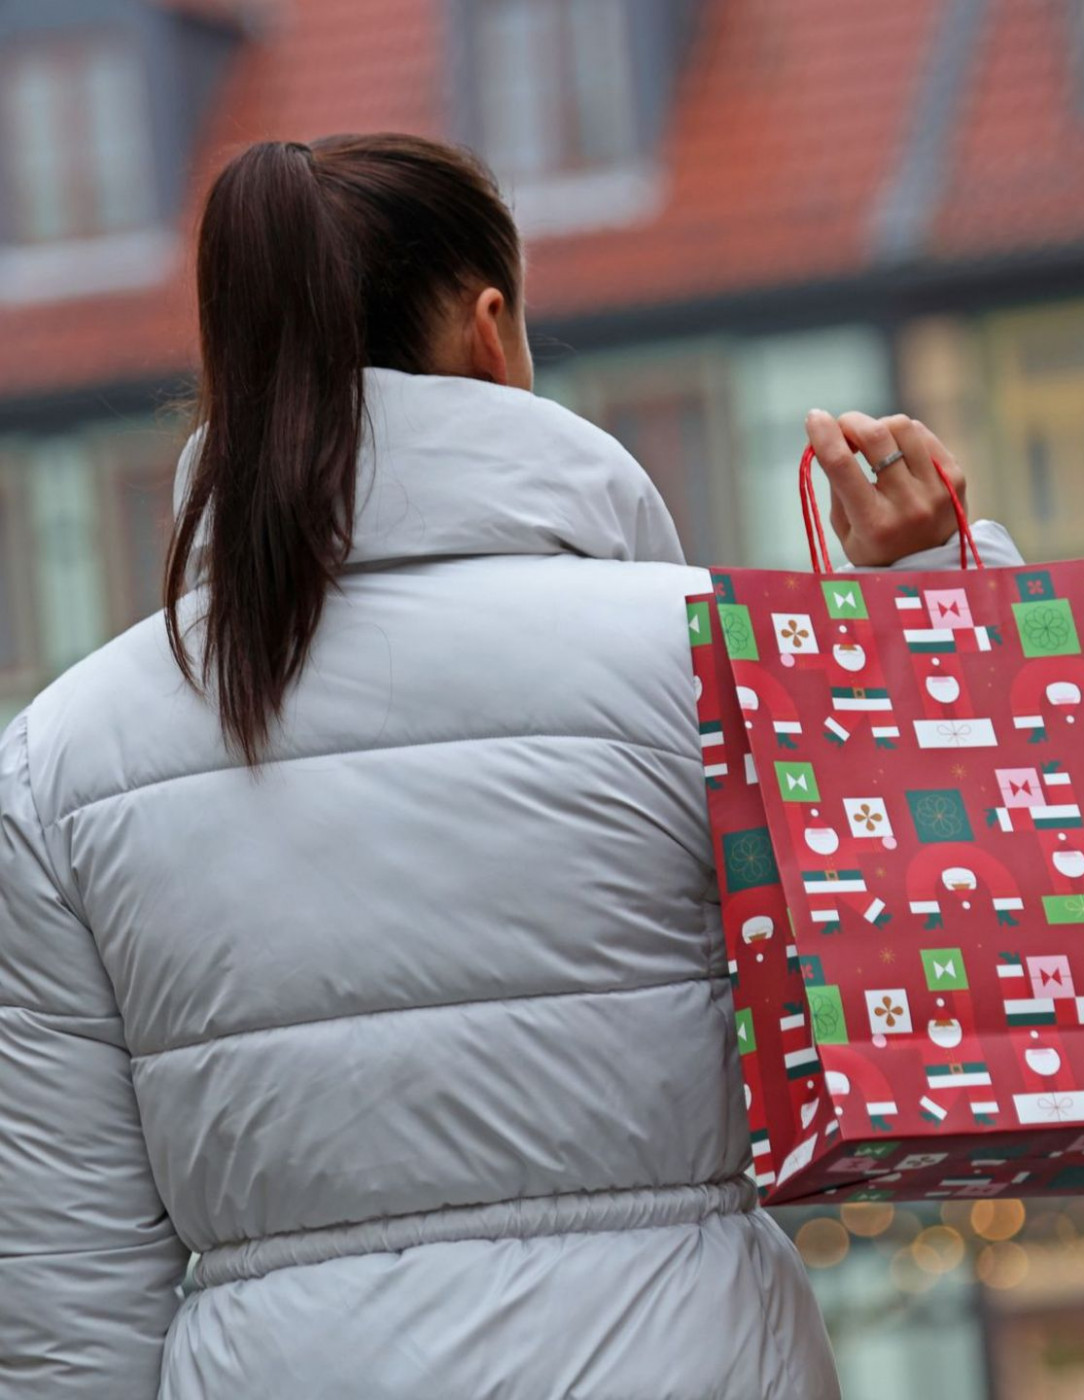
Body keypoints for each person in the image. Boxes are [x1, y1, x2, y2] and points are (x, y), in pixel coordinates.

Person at [0, 135, 1022, 1400]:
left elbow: (65, 1288)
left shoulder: (60, 759)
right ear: (492, 329)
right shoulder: (700, 658)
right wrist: (929, 601)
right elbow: (981, 988)